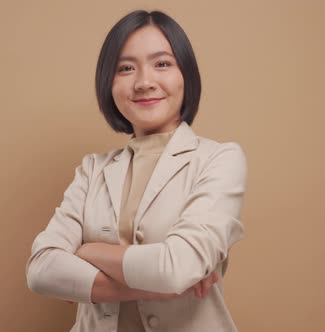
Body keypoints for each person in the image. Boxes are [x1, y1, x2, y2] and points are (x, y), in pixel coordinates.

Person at [26, 9, 247, 332]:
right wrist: (157, 285)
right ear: (108, 82)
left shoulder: (220, 159)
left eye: (162, 64)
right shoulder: (92, 170)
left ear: (186, 74)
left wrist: (88, 251)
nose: (144, 82)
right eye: (126, 68)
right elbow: (41, 269)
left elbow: (176, 268)